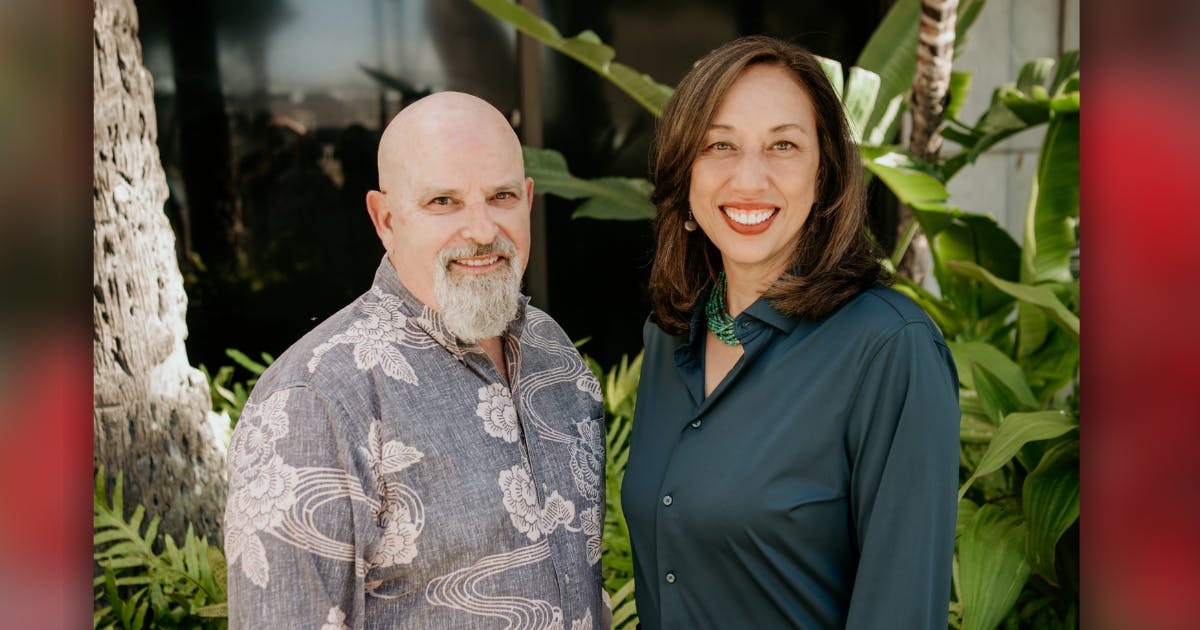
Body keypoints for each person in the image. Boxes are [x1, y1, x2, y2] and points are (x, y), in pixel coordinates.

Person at [224, 92, 608, 629]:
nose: (480, 229)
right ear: (384, 219)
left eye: (500, 196)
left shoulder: (554, 354)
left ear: (527, 198)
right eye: (443, 202)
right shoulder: (316, 401)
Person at [620, 36, 960, 629]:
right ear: (686, 174)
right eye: (720, 145)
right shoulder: (668, 337)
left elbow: (901, 611)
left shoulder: (889, 349)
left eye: (783, 145)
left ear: (825, 175)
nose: (749, 179)